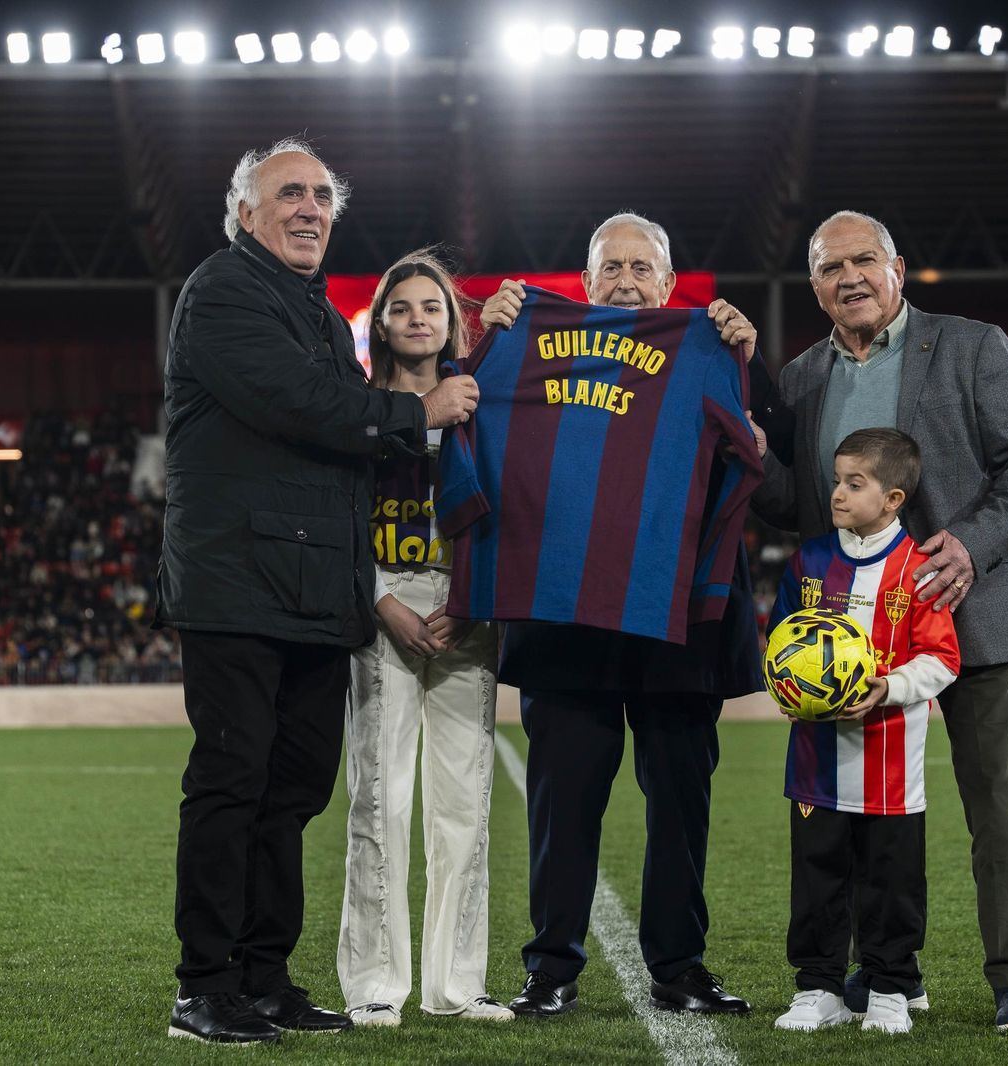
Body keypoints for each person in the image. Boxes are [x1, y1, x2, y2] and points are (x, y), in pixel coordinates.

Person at [153, 139, 479, 1045]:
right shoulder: (223, 291)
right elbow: (299, 403)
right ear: (245, 215)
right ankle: (203, 986)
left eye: (320, 197)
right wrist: (419, 412)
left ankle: (264, 978)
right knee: (231, 781)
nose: (307, 208)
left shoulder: (324, 319)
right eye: (287, 193)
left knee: (292, 789)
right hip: (237, 585)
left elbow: (343, 431)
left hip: (310, 590)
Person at [752, 210, 1008, 1034]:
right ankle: (884, 971)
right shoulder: (800, 379)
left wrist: (972, 541)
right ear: (814, 284)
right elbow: (798, 507)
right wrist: (748, 462)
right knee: (859, 814)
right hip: (860, 641)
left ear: (897, 266)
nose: (849, 278)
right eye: (829, 268)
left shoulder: (970, 345)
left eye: (864, 260)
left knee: (998, 803)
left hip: (972, 613)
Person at [478, 212, 765, 1018]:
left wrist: (745, 358)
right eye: (613, 267)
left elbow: (757, 452)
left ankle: (678, 967)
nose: (628, 280)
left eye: (644, 267)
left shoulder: (708, 344)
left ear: (671, 285)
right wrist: (490, 339)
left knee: (680, 803)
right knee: (561, 804)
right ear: (585, 281)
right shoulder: (533, 341)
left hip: (676, 616)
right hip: (566, 613)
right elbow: (468, 411)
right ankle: (551, 968)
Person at [336, 251, 511, 1027]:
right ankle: (375, 985)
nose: (416, 317)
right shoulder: (352, 406)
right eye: (401, 306)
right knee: (378, 801)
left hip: (463, 610)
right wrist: (382, 603)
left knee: (462, 806)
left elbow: (513, 512)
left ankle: (455, 985)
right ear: (380, 322)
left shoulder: (482, 405)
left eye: (430, 306)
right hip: (383, 609)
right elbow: (337, 519)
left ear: (452, 321)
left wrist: (473, 601)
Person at [766, 428, 959, 1036]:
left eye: (856, 483)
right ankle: (818, 986)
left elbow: (942, 660)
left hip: (891, 768)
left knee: (890, 882)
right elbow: (779, 644)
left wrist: (889, 688)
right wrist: (787, 691)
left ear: (894, 498)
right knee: (818, 877)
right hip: (816, 762)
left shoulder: (919, 570)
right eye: (837, 481)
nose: (839, 494)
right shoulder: (811, 562)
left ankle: (890, 985)